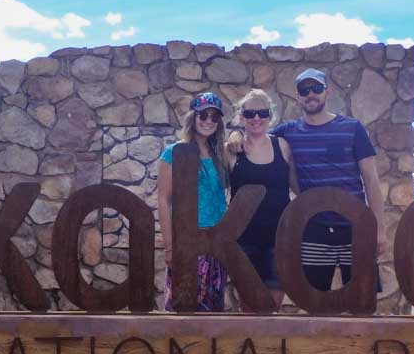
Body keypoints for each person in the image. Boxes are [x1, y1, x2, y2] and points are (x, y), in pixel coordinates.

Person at [227, 68, 387, 292]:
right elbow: (256, 131)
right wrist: (234, 134)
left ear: (327, 92)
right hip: (314, 229)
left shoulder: (353, 128)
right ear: (297, 96)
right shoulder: (288, 132)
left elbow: (371, 180)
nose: (311, 94)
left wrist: (379, 230)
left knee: (364, 299)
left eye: (316, 88)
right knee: (314, 301)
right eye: (305, 89)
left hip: (355, 226)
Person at [156, 92, 230, 311]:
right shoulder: (174, 152)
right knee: (182, 304)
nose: (208, 121)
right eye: (203, 115)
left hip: (215, 242)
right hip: (188, 241)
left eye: (214, 117)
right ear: (193, 117)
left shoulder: (220, 154)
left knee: (212, 309)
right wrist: (170, 248)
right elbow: (163, 199)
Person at [227, 89, 297, 308]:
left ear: (270, 116)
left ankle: (268, 345)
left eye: (262, 112)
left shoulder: (283, 146)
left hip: (279, 237)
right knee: (247, 306)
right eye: (250, 113)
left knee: (272, 305)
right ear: (241, 117)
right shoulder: (231, 150)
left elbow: (298, 186)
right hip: (243, 240)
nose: (256, 118)